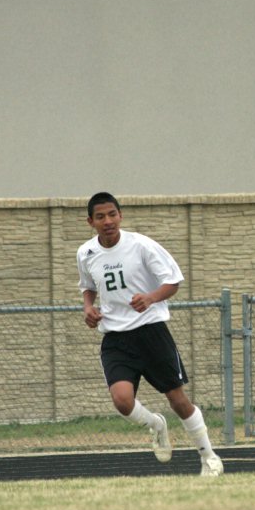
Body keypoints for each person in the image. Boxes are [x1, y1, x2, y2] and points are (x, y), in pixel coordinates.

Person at [77, 192, 223, 477]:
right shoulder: (86, 253)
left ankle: (208, 456)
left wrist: (151, 298)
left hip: (151, 333)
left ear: (120, 215)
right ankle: (156, 424)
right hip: (116, 339)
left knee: (178, 399)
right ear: (90, 222)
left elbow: (173, 281)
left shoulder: (142, 246)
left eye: (112, 215)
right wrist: (87, 307)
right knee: (122, 400)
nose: (108, 221)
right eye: (100, 217)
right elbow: (88, 286)